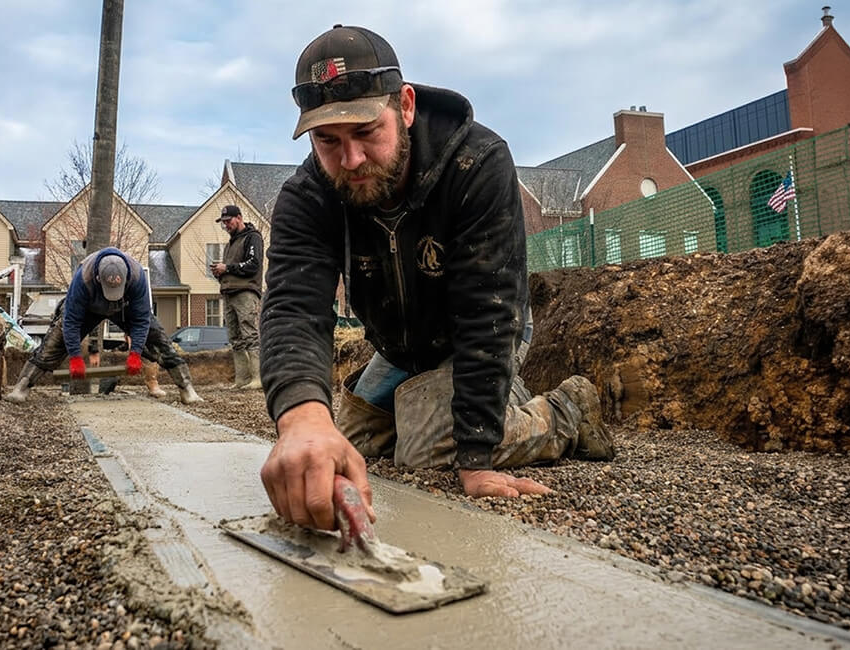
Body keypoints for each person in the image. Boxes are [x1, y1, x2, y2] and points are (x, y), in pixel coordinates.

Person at [258, 25, 616, 531]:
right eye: (328, 140)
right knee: (349, 448)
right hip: (400, 347)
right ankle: (427, 403)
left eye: (365, 132)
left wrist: (475, 457)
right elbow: (294, 306)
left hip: (480, 331)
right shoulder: (307, 196)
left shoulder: (476, 164)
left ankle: (565, 413)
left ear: (404, 106)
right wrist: (302, 419)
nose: (351, 160)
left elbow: (487, 312)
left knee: (426, 451)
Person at [6, 247, 151, 402]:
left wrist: (135, 353)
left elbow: (142, 319)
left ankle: (181, 381)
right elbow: (71, 321)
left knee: (155, 336)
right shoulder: (83, 278)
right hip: (88, 308)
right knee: (54, 342)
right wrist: (75, 356)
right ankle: (22, 386)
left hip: (124, 306)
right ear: (97, 278)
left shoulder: (137, 276)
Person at [210, 204, 264, 390]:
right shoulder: (231, 243)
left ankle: (258, 378)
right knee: (235, 337)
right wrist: (221, 274)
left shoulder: (252, 237)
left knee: (249, 333)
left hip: (246, 292)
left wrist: (227, 268)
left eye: (228, 221)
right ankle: (242, 379)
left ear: (239, 218)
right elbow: (233, 267)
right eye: (223, 222)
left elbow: (253, 264)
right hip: (229, 292)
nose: (226, 225)